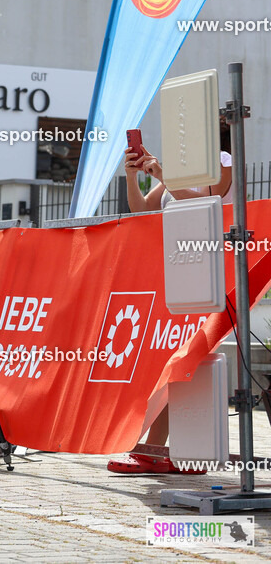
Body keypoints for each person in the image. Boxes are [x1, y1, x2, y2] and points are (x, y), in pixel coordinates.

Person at [108, 126, 232, 473]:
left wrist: (163, 173)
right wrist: (133, 177)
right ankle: (158, 450)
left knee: (183, 361)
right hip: (174, 271)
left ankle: (173, 450)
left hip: (204, 273)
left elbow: (209, 205)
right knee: (172, 361)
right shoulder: (179, 173)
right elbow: (142, 211)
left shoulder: (223, 161)